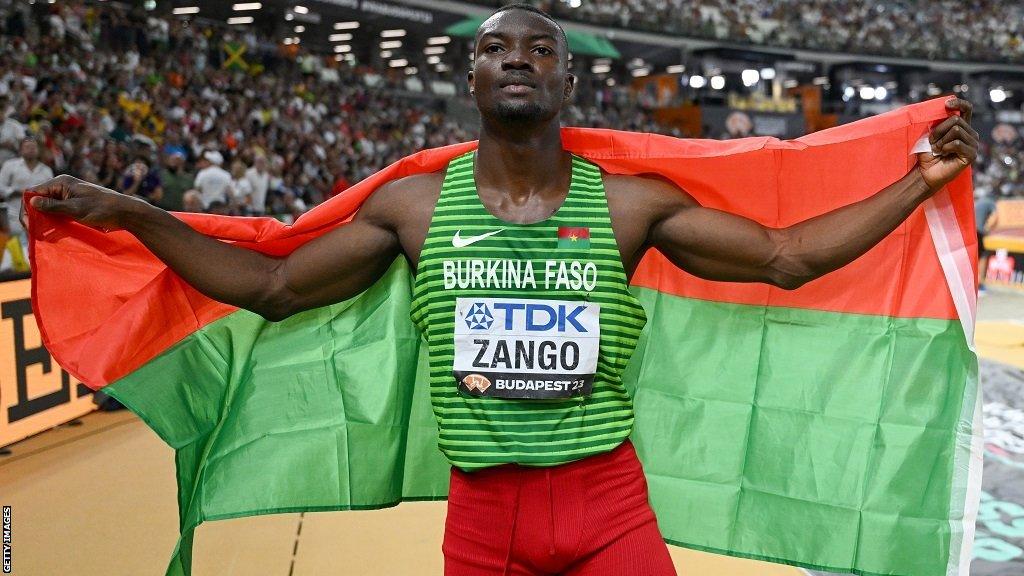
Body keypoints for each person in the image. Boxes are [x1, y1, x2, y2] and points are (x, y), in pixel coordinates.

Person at [26, 5, 978, 575]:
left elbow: (784, 256)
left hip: (608, 503)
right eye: (496, 48)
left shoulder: (631, 205)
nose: (516, 56)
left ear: (567, 81)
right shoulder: (411, 209)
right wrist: (139, 216)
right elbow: (274, 285)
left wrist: (917, 182)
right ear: (470, 78)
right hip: (485, 515)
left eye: (537, 49)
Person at [0, 136, 53, 272]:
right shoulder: (10, 166)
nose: (30, 150)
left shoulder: (46, 170)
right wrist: (16, 191)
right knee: (15, 247)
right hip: (13, 214)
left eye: (33, 147)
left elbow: (53, 193)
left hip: (39, 216)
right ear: (21, 150)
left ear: (38, 151)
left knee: (37, 249)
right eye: (27, 147)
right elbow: (1, 187)